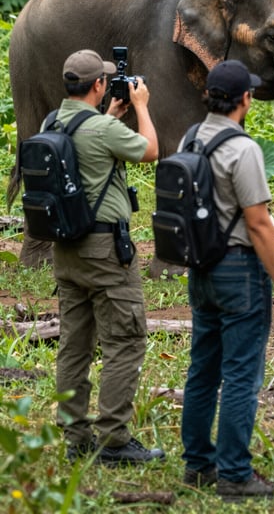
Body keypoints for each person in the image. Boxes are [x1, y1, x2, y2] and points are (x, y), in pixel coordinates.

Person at [180, 60, 274, 502]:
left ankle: (197, 465)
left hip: (201, 267)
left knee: (202, 370)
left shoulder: (190, 137)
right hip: (239, 270)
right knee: (241, 374)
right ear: (244, 100)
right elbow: (259, 223)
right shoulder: (242, 149)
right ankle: (233, 473)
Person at [53, 49, 163, 465]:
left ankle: (76, 437)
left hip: (67, 250)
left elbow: (85, 155)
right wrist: (140, 107)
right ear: (98, 85)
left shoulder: (55, 120)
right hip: (105, 252)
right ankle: (114, 440)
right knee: (125, 341)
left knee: (74, 345)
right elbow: (150, 150)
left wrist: (111, 116)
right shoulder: (100, 128)